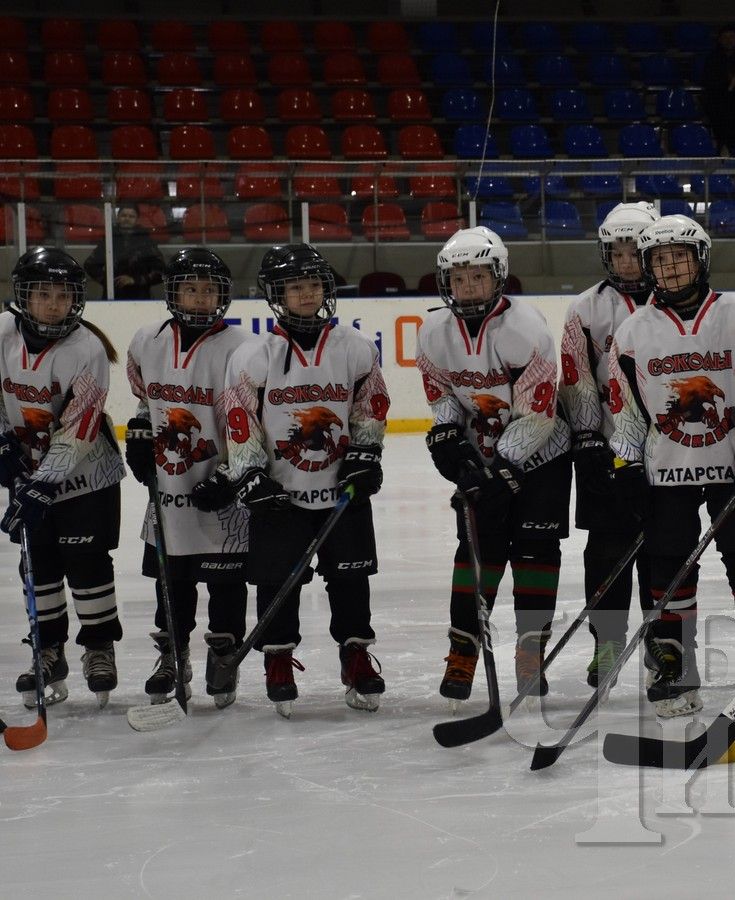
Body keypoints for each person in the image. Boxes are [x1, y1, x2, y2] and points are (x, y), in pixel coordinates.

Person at [608, 214, 735, 718]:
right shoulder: (633, 332)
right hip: (668, 469)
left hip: (732, 465)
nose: (670, 267)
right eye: (659, 260)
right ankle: (675, 663)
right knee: (667, 568)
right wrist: (624, 464)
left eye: (679, 256)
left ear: (700, 258)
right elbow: (628, 410)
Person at [221, 244, 388, 717]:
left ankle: (355, 654)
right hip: (281, 495)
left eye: (314, 285)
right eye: (296, 287)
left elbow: (370, 407)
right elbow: (240, 422)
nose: (308, 294)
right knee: (276, 583)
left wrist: (364, 453)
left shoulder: (354, 347)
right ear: (277, 295)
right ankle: (277, 658)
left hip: (340, 489)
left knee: (351, 580)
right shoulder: (256, 355)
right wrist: (251, 473)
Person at [418, 227, 570, 709]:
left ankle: (531, 654)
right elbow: (442, 395)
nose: (466, 288)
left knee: (535, 554)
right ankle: (461, 652)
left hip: (542, 457)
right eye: (458, 278)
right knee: (475, 555)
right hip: (485, 458)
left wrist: (502, 467)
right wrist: (446, 435)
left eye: (477, 277)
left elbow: (539, 414)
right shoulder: (431, 332)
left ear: (498, 277)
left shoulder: (528, 330)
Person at [124, 248, 256, 708]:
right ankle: (172, 653)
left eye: (209, 290)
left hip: (222, 488)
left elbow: (250, 424)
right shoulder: (147, 340)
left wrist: (231, 478)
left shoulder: (242, 348)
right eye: (190, 289)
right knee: (171, 579)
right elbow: (146, 400)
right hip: (169, 485)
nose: (200, 299)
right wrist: (141, 433)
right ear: (173, 292)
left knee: (225, 583)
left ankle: (224, 654)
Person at [1, 247, 125, 709]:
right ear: (23, 296)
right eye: (42, 294)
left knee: (88, 565)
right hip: (30, 470)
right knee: (39, 566)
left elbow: (80, 427)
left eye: (62, 295)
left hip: (87, 475)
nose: (53, 304)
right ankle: (47, 650)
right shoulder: (1, 333)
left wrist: (41, 485)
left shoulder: (86, 350)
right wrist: (1, 446)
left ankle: (98, 649)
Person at [559, 202, 657, 689]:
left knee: (665, 548)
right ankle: (609, 641)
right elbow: (576, 378)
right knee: (604, 552)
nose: (625, 263)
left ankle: (664, 643)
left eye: (634, 253)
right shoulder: (585, 309)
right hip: (608, 449)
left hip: (669, 451)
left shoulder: (675, 299)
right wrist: (586, 438)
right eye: (616, 254)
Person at [83, 206, 165, 300]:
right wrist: (109, 281)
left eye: (131, 216)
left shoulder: (146, 241)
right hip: (112, 297)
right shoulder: (109, 239)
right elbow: (90, 264)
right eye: (124, 215)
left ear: (137, 220)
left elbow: (161, 270)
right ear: (118, 218)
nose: (127, 219)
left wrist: (135, 280)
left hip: (141, 297)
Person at [701, 24, 735, 154]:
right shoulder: (712, 60)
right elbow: (710, 84)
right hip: (720, 103)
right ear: (719, 40)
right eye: (725, 37)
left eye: (732, 37)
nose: (729, 40)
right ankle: (723, 150)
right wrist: (729, 85)